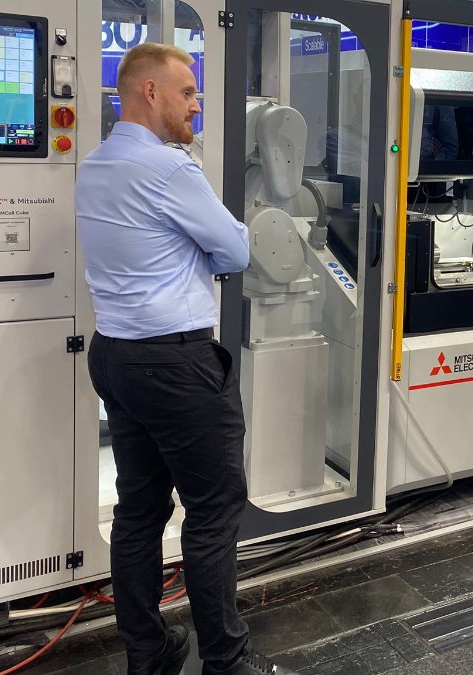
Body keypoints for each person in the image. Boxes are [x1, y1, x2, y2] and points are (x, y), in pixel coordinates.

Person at [76, 43, 293, 675]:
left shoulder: (93, 166)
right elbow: (236, 251)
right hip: (177, 366)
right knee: (214, 512)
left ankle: (149, 653)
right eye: (188, 92)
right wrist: (197, 251)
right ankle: (227, 662)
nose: (196, 106)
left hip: (115, 358)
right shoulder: (171, 170)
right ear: (150, 92)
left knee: (139, 511)